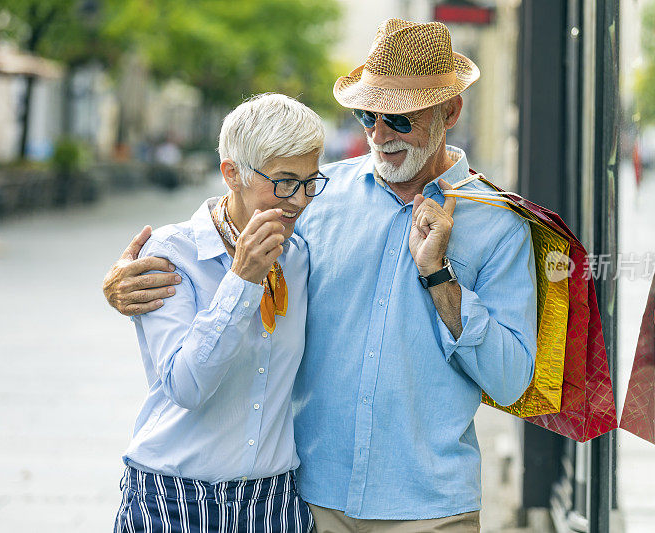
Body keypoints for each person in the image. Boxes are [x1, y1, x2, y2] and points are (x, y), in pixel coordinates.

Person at [104, 19, 536, 532]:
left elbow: (510, 383)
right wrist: (126, 278)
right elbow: (236, 214)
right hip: (310, 502)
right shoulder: (318, 195)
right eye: (367, 114)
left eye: (398, 119)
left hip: (431, 507)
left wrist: (440, 277)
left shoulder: (500, 226)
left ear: (450, 111)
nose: (377, 134)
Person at [112, 93, 328, 532]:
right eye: (285, 181)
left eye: (310, 182)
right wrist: (243, 279)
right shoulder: (172, 254)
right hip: (171, 499)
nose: (300, 200)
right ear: (231, 173)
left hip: (272, 503)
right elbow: (187, 386)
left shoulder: (302, 256)